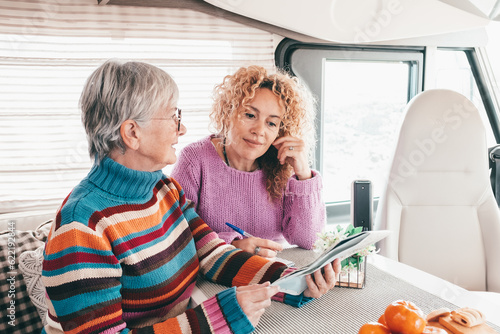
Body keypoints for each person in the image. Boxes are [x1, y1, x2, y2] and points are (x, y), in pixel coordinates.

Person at [41, 60, 341, 334]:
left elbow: (210, 252)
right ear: (132, 133)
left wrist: (292, 278)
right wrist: (218, 318)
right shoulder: (80, 226)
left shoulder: (162, 188)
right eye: (173, 116)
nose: (182, 128)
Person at [171, 65, 325, 258]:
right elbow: (176, 238)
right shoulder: (194, 159)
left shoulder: (282, 164)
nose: (259, 130)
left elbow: (309, 241)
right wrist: (231, 245)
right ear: (229, 113)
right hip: (215, 273)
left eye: (271, 123)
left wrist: (304, 175)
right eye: (250, 115)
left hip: (274, 269)